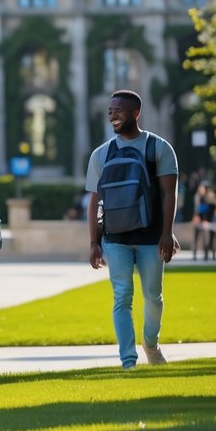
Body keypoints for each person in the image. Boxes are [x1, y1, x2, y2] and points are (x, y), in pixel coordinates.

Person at [86, 89, 180, 369]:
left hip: (152, 237)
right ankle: (128, 360)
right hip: (115, 238)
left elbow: (169, 194)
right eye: (110, 110)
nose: (112, 115)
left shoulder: (158, 148)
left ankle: (151, 344)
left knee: (153, 296)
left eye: (118, 110)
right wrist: (94, 242)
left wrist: (167, 232)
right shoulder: (101, 154)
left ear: (136, 113)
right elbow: (94, 201)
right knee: (122, 296)